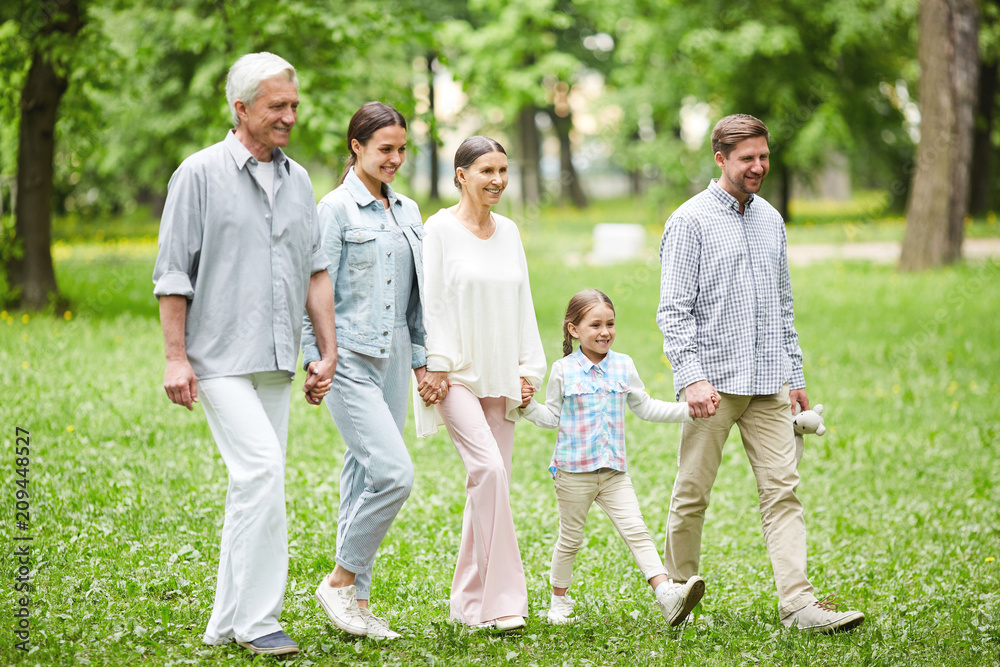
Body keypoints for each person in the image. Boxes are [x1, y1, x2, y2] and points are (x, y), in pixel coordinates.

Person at [153, 52, 337, 656]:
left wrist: (326, 351)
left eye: (294, 105)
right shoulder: (198, 174)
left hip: (277, 359)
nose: (290, 116)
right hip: (217, 358)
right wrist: (175, 358)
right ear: (241, 108)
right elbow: (173, 274)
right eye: (277, 105)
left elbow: (315, 270)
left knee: (252, 485)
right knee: (261, 471)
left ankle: (224, 622)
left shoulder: (299, 179)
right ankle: (259, 622)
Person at [657, 114, 864, 633]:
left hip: (770, 381)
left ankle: (798, 605)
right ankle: (677, 590)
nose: (758, 166)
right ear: (720, 158)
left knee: (782, 491)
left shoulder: (771, 219)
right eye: (747, 158)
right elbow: (673, 311)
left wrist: (795, 374)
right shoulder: (689, 221)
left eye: (764, 156)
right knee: (692, 492)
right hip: (713, 385)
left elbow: (782, 305)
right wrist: (691, 377)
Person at [303, 102, 430, 640]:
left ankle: (356, 601)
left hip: (395, 353)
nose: (395, 159)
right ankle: (339, 581)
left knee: (362, 474)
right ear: (356, 147)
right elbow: (313, 286)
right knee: (393, 474)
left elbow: (418, 295)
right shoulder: (334, 210)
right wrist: (315, 356)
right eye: (385, 149)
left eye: (401, 149)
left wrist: (421, 358)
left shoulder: (409, 209)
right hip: (348, 355)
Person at [519, 289, 716, 626]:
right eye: (595, 325)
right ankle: (559, 602)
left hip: (613, 473)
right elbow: (552, 417)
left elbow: (647, 408)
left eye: (610, 324)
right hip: (573, 473)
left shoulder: (623, 365)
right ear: (574, 329)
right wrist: (526, 406)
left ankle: (666, 595)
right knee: (571, 539)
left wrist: (691, 410)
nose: (605, 331)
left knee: (637, 531)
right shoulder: (563, 370)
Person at [415, 136, 546, 631]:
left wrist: (528, 368)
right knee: (489, 473)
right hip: (453, 376)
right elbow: (431, 302)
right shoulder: (438, 229)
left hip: (501, 374)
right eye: (486, 170)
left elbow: (523, 301)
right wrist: (435, 364)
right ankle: (507, 601)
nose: (497, 180)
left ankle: (469, 604)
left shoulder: (509, 231)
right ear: (461, 175)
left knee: (490, 487)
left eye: (503, 171)